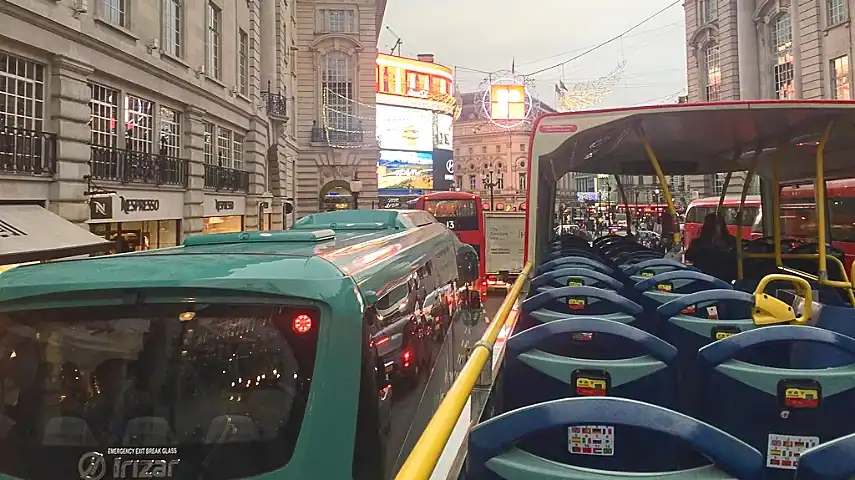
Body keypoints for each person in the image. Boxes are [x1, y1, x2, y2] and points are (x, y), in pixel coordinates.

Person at [686, 213, 737, 282]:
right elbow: (689, 256)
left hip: (724, 277)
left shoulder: (731, 240)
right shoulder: (698, 242)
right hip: (705, 276)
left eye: (719, 224)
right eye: (715, 225)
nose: (717, 227)